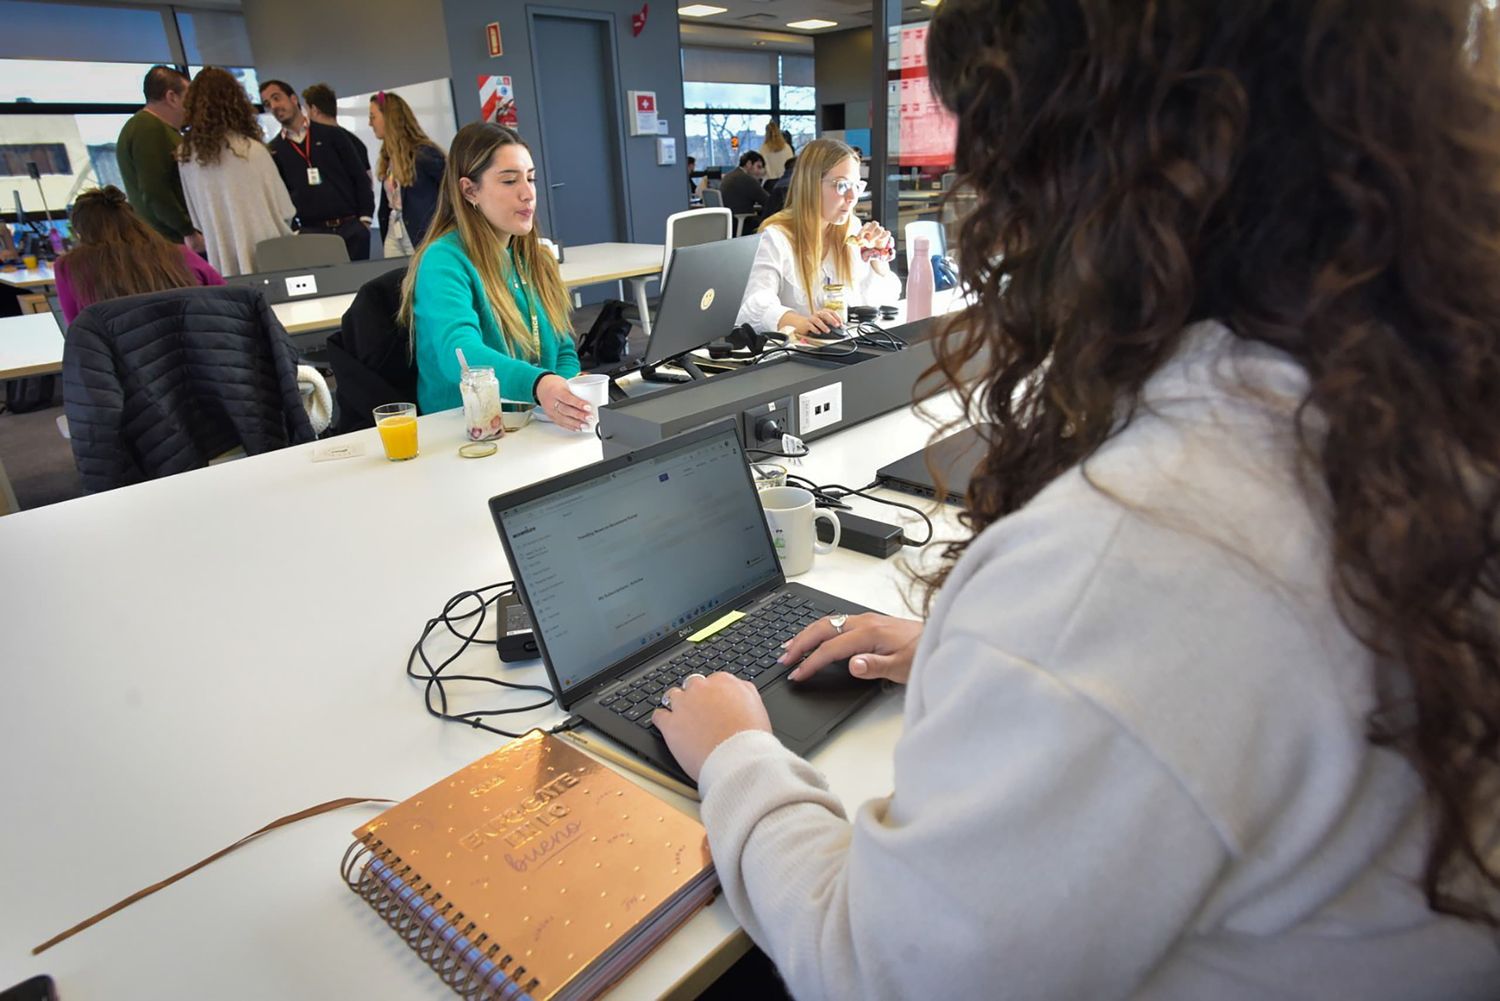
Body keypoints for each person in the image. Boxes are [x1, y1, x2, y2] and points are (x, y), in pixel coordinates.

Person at [653, 1, 1500, 998]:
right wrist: (983, 659)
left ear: (1079, 178)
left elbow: (876, 965)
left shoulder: (1141, 555)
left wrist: (740, 756)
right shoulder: (1406, 410)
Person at [398, 123, 588, 427]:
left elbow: (564, 348)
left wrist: (564, 398)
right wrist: (540, 385)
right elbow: (459, 355)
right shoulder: (443, 260)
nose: (528, 194)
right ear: (470, 190)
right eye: (510, 181)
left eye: (531, 178)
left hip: (534, 422)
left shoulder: (536, 257)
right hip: (467, 431)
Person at [736, 140, 898, 336]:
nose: (851, 197)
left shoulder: (852, 230)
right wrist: (800, 322)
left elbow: (887, 300)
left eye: (856, 186)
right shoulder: (777, 237)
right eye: (842, 185)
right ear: (811, 184)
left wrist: (877, 263)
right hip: (798, 356)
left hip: (846, 349)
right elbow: (751, 305)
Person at [176, 68, 295, 278]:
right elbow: (285, 211)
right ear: (236, 102)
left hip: (223, 262)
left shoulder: (186, 158)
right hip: (269, 259)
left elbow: (197, 221)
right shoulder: (252, 150)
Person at [53, 186, 224, 324]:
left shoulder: (69, 266)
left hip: (119, 363)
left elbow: (76, 329)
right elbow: (228, 300)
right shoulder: (178, 253)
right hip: (195, 356)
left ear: (80, 232)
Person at [260, 79, 375, 262]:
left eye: (277, 98)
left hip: (350, 227)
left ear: (293, 98)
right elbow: (280, 194)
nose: (274, 106)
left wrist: (365, 219)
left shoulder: (332, 134)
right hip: (312, 233)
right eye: (267, 104)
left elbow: (359, 177)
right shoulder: (274, 150)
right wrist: (295, 231)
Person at [115, 65, 202, 253]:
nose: (191, 108)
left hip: (175, 239)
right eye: (188, 98)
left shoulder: (153, 128)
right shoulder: (149, 128)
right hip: (174, 242)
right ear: (172, 97)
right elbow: (154, 190)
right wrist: (188, 230)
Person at [369, 90, 446, 256]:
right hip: (394, 230)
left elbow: (450, 190)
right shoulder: (388, 158)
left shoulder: (425, 154)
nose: (370, 123)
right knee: (395, 279)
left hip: (421, 232)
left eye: (373, 117)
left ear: (388, 118)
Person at [301, 82, 370, 174]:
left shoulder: (314, 146)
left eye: (306, 110)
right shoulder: (357, 143)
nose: (305, 116)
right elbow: (367, 183)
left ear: (314, 110)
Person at [719, 150, 767, 233]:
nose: (760, 172)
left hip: (729, 224)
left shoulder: (729, 175)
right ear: (748, 164)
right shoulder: (747, 179)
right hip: (742, 223)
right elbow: (768, 201)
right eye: (758, 167)